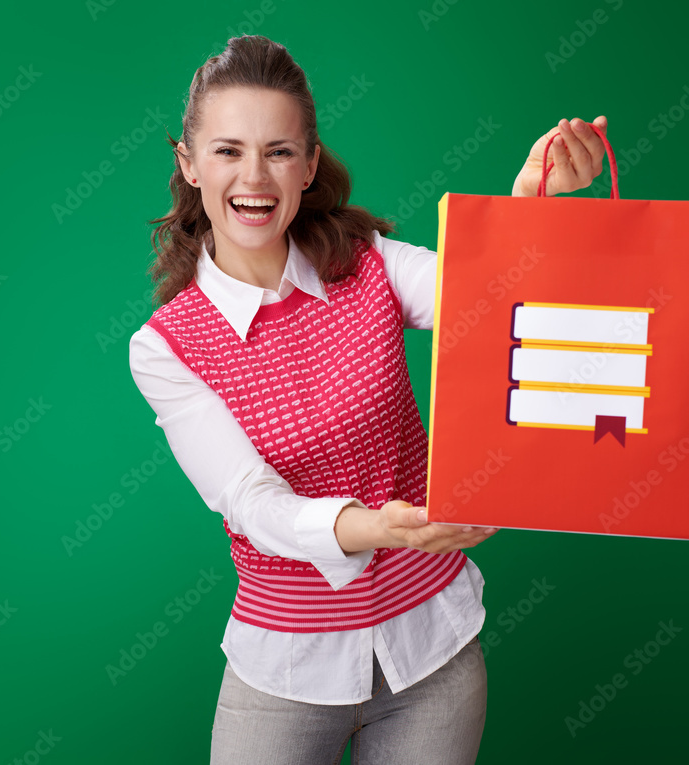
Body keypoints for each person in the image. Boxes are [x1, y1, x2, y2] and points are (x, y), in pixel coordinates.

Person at [129, 34, 608, 765]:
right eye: (228, 150)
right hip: (284, 671)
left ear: (309, 164)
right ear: (189, 163)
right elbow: (252, 504)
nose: (254, 175)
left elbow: (494, 304)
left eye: (280, 151)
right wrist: (375, 526)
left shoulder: (372, 265)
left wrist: (530, 199)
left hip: (433, 656)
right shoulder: (165, 346)